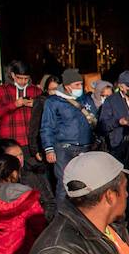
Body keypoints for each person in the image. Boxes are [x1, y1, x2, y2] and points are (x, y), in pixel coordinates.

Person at [40, 69, 98, 199]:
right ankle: (61, 214)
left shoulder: (86, 100)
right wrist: (49, 149)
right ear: (67, 86)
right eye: (76, 85)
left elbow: (95, 119)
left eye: (81, 84)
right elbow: (46, 126)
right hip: (64, 149)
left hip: (85, 147)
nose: (80, 87)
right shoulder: (53, 102)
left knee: (85, 184)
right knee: (64, 184)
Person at [0, 60, 40, 147]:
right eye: (19, 78)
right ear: (13, 75)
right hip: (8, 142)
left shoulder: (36, 91)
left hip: (31, 142)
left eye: (26, 78)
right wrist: (13, 105)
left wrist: (36, 105)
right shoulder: (0, 90)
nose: (23, 81)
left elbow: (47, 112)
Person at [97, 70, 129, 152]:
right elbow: (103, 125)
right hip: (118, 147)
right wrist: (119, 122)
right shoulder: (111, 101)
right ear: (121, 87)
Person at [26, 74, 60, 166]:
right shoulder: (41, 102)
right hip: (46, 146)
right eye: (52, 90)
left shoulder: (66, 101)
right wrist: (35, 149)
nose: (54, 92)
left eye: (57, 89)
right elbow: (34, 126)